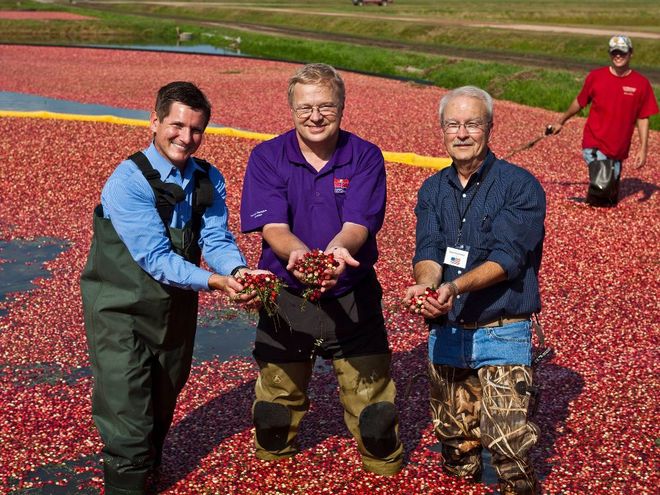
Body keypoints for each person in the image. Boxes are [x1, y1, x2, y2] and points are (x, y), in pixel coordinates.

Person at [81, 81, 262, 495]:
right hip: (119, 311)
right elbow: (155, 259)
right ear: (155, 121)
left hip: (174, 311)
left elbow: (215, 238)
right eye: (177, 125)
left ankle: (148, 473)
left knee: (161, 404)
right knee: (127, 415)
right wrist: (216, 282)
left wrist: (238, 270)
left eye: (196, 129)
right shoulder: (129, 181)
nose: (186, 137)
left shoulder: (207, 177)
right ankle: (128, 480)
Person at [240, 63, 404, 476]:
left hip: (352, 294)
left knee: (376, 419)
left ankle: (382, 466)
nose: (315, 116)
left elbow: (357, 225)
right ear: (291, 109)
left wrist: (333, 258)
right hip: (288, 300)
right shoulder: (267, 156)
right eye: (305, 108)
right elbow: (274, 226)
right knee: (274, 418)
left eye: (326, 106)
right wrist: (300, 259)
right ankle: (275, 468)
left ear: (343, 106)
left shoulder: (364, 156)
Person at [403, 86, 546, 494]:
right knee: (455, 441)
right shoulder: (433, 189)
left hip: (502, 327)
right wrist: (428, 287)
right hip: (448, 330)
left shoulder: (520, 186)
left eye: (472, 123)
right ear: (442, 130)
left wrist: (453, 285)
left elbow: (507, 259)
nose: (462, 133)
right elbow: (428, 250)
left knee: (509, 444)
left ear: (489, 128)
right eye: (453, 124)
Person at [549, 35, 658, 198]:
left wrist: (643, 148)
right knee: (602, 187)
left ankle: (596, 200)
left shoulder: (641, 84)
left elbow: (643, 118)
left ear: (630, 53)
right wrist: (560, 122)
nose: (618, 56)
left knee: (610, 196)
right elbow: (579, 102)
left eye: (622, 52)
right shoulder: (596, 77)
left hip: (619, 148)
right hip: (595, 142)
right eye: (614, 52)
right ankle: (586, 205)